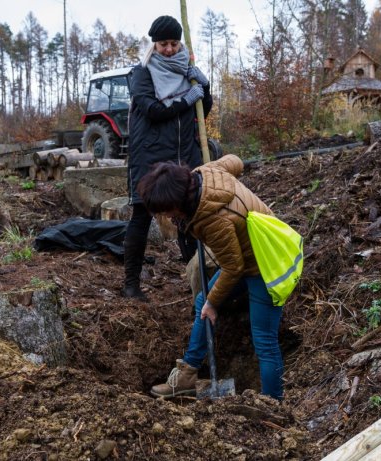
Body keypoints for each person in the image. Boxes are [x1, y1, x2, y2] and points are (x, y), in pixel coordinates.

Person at [136, 154, 284, 400]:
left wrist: (214, 303)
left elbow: (233, 267)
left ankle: (273, 403)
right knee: (201, 303)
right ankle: (188, 374)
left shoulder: (212, 220)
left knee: (265, 341)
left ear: (178, 201)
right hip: (248, 253)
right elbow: (236, 160)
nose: (166, 216)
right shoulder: (206, 172)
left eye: (166, 210)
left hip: (267, 264)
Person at [122, 15, 213, 301]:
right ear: (155, 45)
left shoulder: (187, 71)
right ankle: (131, 285)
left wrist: (204, 88)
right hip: (148, 156)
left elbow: (201, 111)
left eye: (174, 43)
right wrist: (185, 99)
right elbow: (151, 110)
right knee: (141, 216)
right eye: (164, 44)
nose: (170, 49)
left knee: (189, 217)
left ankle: (198, 283)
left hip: (182, 155)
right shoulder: (142, 73)